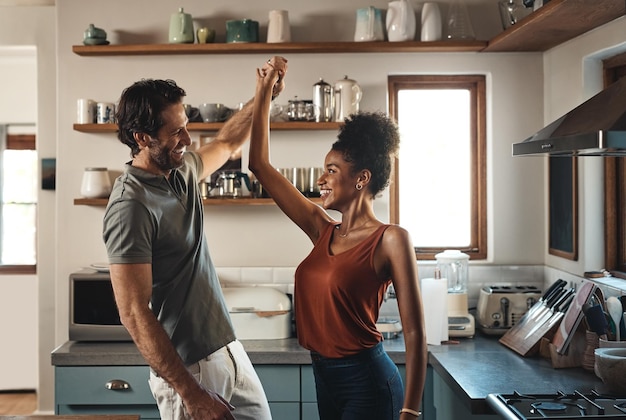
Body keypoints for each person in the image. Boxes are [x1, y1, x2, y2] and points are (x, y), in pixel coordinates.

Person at [102, 56, 288, 420]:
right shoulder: (130, 206)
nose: (187, 139)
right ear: (143, 137)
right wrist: (191, 393)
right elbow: (133, 313)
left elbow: (227, 140)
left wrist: (263, 94)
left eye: (185, 127)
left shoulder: (181, 168)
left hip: (227, 347)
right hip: (189, 368)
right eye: (176, 132)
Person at [249, 64, 427, 420]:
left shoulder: (391, 239)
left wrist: (411, 410)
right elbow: (259, 164)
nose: (321, 179)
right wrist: (264, 92)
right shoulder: (321, 228)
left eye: (331, 170)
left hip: (368, 381)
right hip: (324, 376)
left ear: (362, 178)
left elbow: (414, 330)